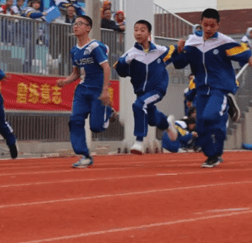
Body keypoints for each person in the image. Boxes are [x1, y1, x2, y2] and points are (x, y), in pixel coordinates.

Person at [172, 8, 252, 168]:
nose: (208, 29)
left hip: (220, 87)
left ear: (218, 25)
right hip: (202, 89)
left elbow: (246, 55)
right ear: (200, 23)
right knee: (200, 126)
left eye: (212, 26)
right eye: (205, 25)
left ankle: (226, 104)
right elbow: (179, 64)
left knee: (211, 117)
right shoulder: (192, 42)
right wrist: (179, 50)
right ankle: (213, 156)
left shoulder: (224, 42)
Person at [56, 15, 114, 168]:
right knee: (75, 120)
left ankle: (108, 112)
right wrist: (65, 82)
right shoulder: (74, 51)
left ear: (88, 28)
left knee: (96, 127)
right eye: (74, 24)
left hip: (98, 90)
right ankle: (84, 155)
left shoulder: (95, 46)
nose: (76, 26)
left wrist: (105, 91)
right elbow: (76, 73)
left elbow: (106, 68)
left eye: (80, 24)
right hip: (82, 90)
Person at [114, 19, 178, 154]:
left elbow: (176, 51)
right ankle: (167, 123)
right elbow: (120, 70)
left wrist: (184, 48)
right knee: (152, 119)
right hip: (141, 92)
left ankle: (139, 141)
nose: (138, 33)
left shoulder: (160, 51)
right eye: (136, 30)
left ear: (149, 33)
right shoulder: (130, 54)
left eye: (142, 30)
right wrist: (125, 62)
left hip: (157, 89)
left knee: (138, 105)